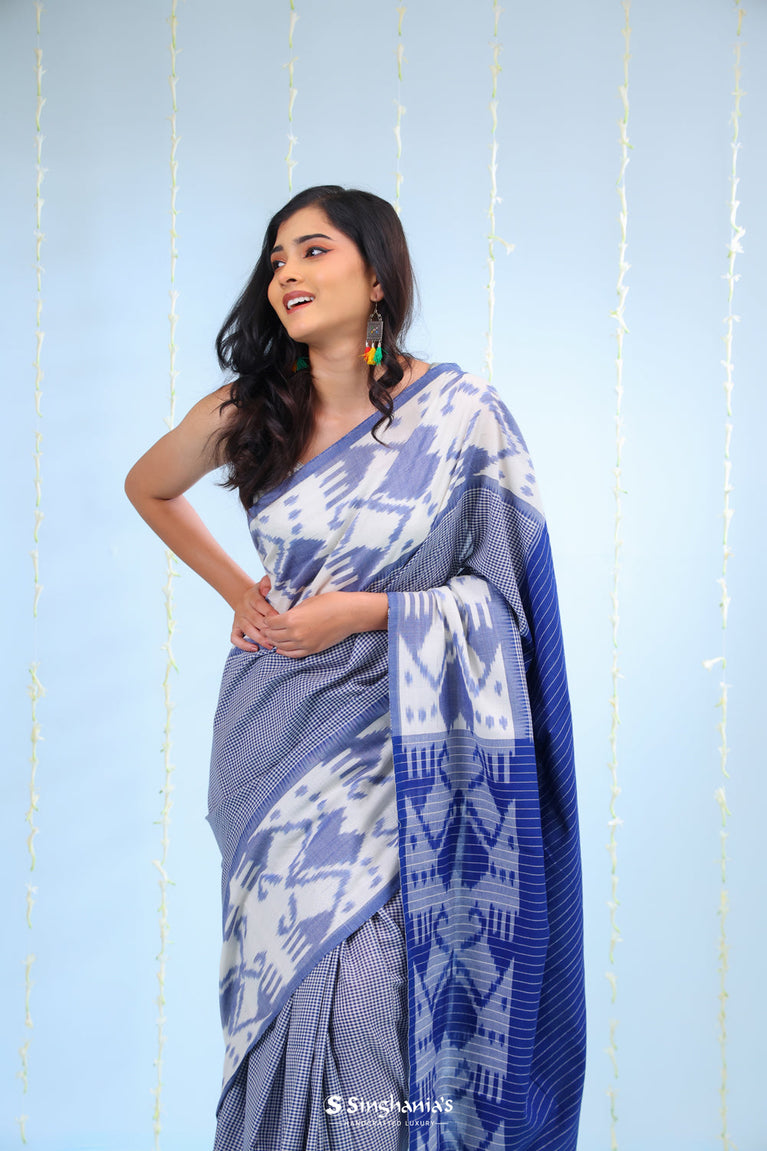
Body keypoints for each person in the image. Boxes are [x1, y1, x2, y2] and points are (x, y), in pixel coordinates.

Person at [125, 185, 586, 1151]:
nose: (285, 273)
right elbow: (149, 485)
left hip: (411, 742)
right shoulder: (251, 407)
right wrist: (239, 592)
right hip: (273, 742)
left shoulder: (460, 414)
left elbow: (504, 598)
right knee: (285, 998)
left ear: (376, 277)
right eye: (275, 258)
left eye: (312, 250)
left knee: (375, 994)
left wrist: (364, 613)